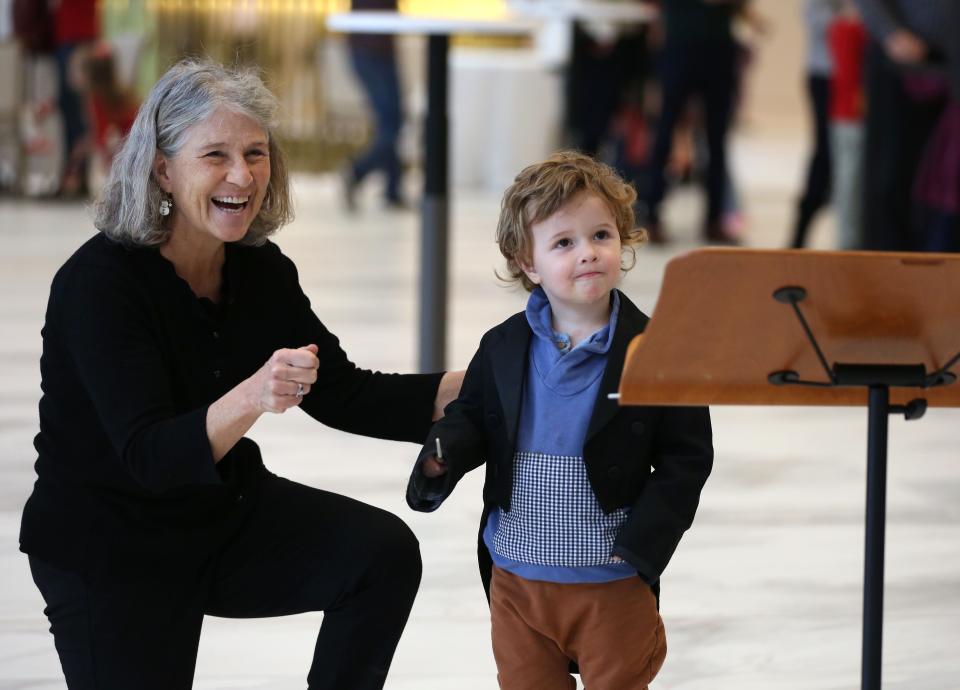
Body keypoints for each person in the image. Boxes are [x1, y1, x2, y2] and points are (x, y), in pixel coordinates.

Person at [19, 58, 463, 690]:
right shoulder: (100, 286)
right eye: (216, 155)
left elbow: (346, 394)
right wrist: (253, 395)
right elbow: (148, 456)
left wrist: (470, 385)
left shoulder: (260, 270)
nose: (242, 175)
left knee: (381, 555)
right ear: (162, 168)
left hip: (217, 514)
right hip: (111, 543)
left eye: (256, 153)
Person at [406, 151, 714, 689]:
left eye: (601, 235)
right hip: (518, 577)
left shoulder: (659, 351)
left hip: (612, 580)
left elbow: (686, 459)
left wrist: (644, 546)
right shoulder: (503, 347)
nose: (588, 253)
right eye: (563, 243)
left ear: (623, 241)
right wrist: (443, 453)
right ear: (529, 265)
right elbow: (473, 414)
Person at [640, 0, 742, 244]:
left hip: (718, 47)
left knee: (717, 138)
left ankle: (714, 218)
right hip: (680, 44)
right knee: (664, 133)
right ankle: (652, 215)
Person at [342, 0, 405, 212]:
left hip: (382, 46)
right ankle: (357, 171)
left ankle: (393, 190)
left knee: (394, 120)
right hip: (368, 48)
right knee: (391, 123)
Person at [789, 0, 835, 249]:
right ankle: (798, 237)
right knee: (825, 154)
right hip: (825, 75)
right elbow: (821, 23)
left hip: (861, 78)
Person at [827, 1, 868, 249]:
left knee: (847, 182)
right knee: (849, 184)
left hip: (845, 114)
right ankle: (849, 243)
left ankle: (849, 241)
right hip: (852, 116)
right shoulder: (849, 28)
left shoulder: (843, 26)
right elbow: (853, 79)